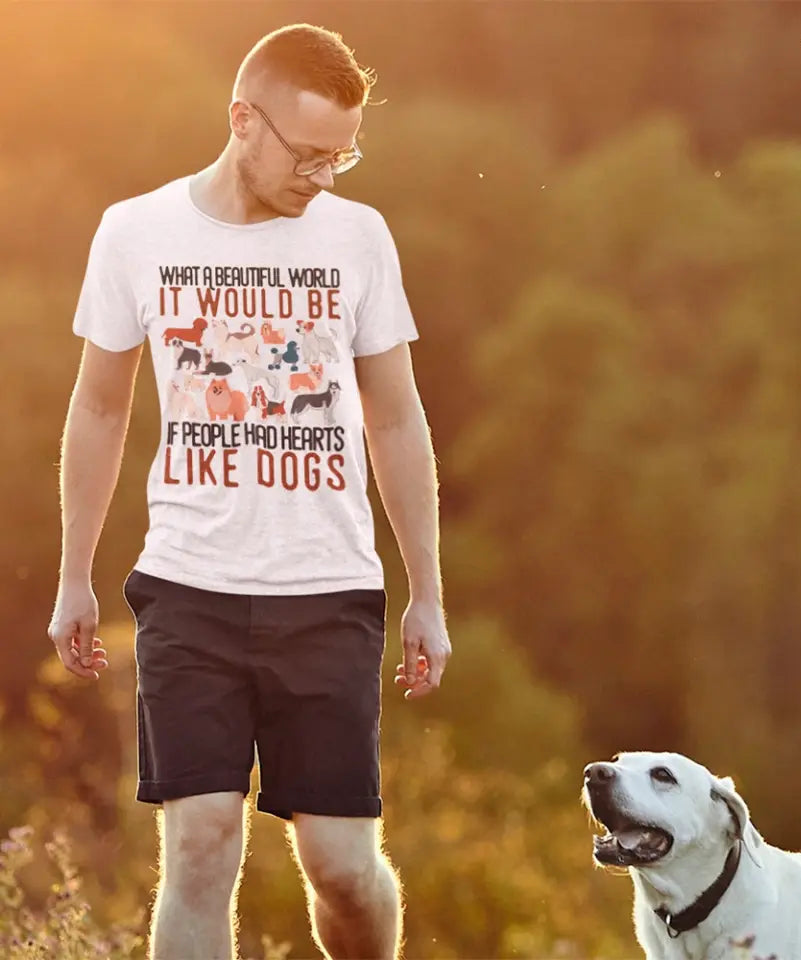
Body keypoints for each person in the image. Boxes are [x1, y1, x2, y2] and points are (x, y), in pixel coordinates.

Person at [47, 23, 450, 960]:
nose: (325, 175)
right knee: (199, 849)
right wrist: (75, 573)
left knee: (342, 868)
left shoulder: (358, 237)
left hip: (328, 590)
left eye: (341, 154)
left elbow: (396, 420)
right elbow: (99, 410)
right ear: (244, 122)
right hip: (188, 592)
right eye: (309, 154)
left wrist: (427, 590)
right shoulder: (136, 232)